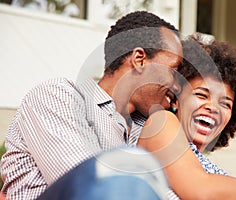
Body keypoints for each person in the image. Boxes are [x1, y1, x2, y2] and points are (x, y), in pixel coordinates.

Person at [0, 11, 182, 200]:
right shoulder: (59, 96)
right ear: (139, 60)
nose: (177, 85)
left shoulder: (146, 129)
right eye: (175, 71)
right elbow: (93, 186)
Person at [138, 33, 236, 199]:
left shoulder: (206, 168)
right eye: (201, 95)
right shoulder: (161, 123)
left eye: (225, 104)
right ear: (176, 98)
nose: (213, 108)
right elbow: (200, 190)